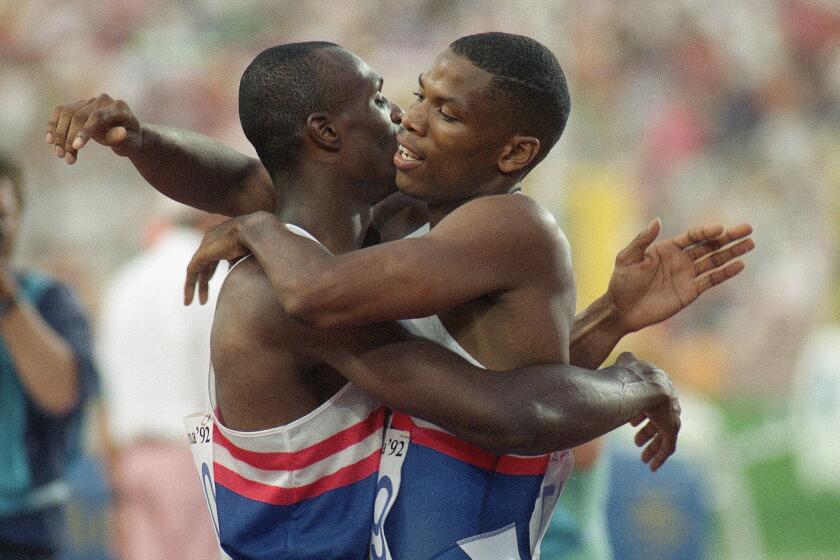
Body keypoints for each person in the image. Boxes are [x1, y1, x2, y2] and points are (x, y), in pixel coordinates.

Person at [47, 36, 751, 559]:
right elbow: (504, 406)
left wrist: (629, 360)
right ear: (327, 136)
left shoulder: (481, 227)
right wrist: (140, 142)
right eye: (400, 99)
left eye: (440, 111)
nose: (408, 119)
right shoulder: (329, 260)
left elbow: (514, 407)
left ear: (511, 154)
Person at [96, 206, 222, 560]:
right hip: (193, 451)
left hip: (131, 456)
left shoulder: (124, 280)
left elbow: (106, 383)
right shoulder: (211, 277)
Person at [0, 154, 99, 560]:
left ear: (18, 220)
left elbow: (62, 395)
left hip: (24, 527)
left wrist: (6, 296)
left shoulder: (50, 300)